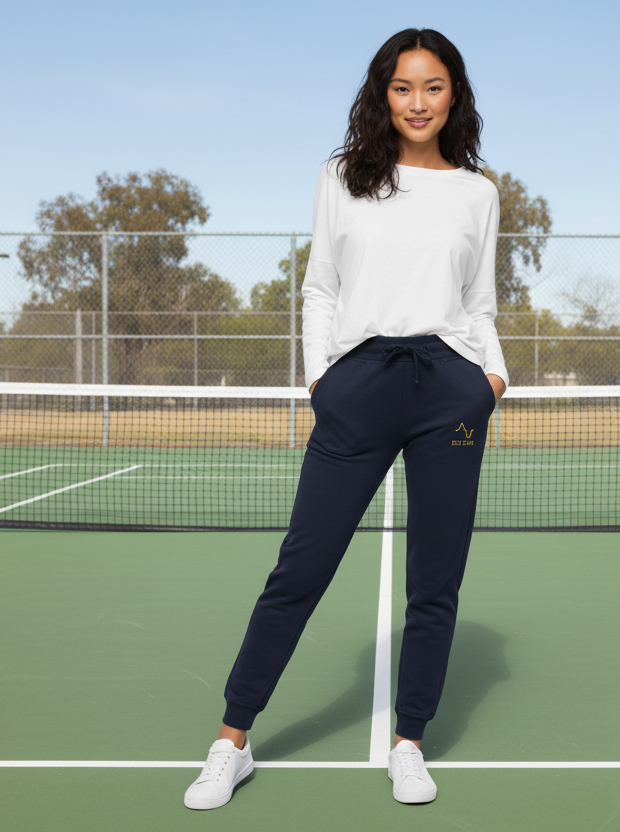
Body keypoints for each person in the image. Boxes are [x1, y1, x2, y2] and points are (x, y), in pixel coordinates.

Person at [184, 27, 508, 810]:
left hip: (451, 390)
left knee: (436, 582)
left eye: (433, 87)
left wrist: (493, 377)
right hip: (357, 384)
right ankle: (232, 741)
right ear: (382, 93)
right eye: (403, 87)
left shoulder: (479, 192)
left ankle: (410, 742)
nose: (418, 102)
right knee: (301, 568)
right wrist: (321, 380)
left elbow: (479, 301)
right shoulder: (341, 176)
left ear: (454, 93)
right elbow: (320, 286)